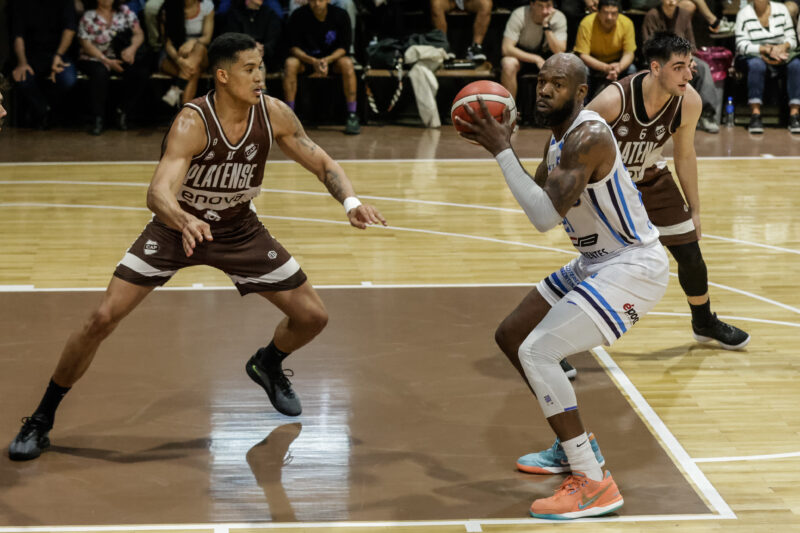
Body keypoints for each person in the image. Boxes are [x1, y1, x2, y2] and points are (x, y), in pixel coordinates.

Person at [8, 32, 387, 462]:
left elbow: (322, 162)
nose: (260, 77)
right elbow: (158, 193)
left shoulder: (273, 113)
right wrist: (183, 219)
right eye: (249, 69)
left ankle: (267, 362)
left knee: (313, 317)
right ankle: (41, 418)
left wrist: (351, 202)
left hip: (239, 230)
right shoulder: (193, 122)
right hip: (176, 230)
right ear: (223, 76)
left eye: (261, 67)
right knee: (101, 318)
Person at [455, 52, 669, 519]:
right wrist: (505, 144)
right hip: (595, 261)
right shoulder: (558, 141)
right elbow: (538, 195)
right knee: (512, 335)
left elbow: (542, 217)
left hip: (633, 265)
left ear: (580, 92)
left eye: (557, 83)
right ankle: (573, 443)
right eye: (541, 82)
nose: (545, 89)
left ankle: (593, 483)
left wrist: (501, 150)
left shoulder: (588, 136)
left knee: (538, 351)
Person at [642, 0, 721, 133]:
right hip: (661, 61)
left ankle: (706, 115)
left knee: (703, 67)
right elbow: (649, 47)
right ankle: (661, 116)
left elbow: (691, 44)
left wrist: (689, 60)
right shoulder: (652, 15)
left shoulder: (684, 14)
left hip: (683, 59)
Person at [283, 0, 360, 134]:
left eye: (320, 0)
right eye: (313, 0)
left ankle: (352, 114)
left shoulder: (340, 15)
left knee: (347, 63)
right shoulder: (298, 15)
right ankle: (289, 116)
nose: (317, 4)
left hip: (332, 61)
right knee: (290, 64)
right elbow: (293, 47)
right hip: (306, 60)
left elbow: (344, 47)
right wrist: (313, 61)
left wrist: (327, 60)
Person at [77, 0, 149, 135]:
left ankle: (123, 111)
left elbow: (139, 33)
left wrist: (132, 49)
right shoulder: (88, 16)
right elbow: (85, 44)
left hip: (120, 54)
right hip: (94, 57)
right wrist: (106, 61)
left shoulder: (125, 11)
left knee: (140, 72)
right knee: (100, 72)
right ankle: (98, 118)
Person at [734, 0, 800, 134]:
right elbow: (740, 44)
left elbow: (792, 39)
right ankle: (755, 114)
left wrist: (783, 46)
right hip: (755, 53)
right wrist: (764, 50)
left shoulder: (781, 10)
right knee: (756, 65)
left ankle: (794, 115)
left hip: (781, 53)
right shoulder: (744, 13)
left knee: (796, 65)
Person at [10, 0, 78, 128]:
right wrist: (22, 62)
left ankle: (51, 108)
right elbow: (18, 35)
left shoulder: (64, 2)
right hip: (30, 55)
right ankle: (43, 110)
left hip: (59, 53)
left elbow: (70, 29)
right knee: (23, 78)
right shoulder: (21, 3)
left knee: (67, 80)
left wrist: (58, 55)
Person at [500, 0, 567, 100]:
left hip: (546, 57)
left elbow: (559, 51)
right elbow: (506, 48)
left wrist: (546, 27)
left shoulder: (558, 17)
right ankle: (509, 107)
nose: (545, 11)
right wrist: (536, 59)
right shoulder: (519, 15)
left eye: (548, 6)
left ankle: (553, 108)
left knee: (564, 65)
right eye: (540, 6)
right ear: (532, 4)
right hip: (522, 56)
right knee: (508, 63)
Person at [573, 0, 636, 100]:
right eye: (605, 13)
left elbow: (629, 53)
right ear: (598, 12)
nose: (609, 17)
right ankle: (583, 105)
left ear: (618, 13)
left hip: (617, 62)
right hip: (593, 62)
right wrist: (606, 68)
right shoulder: (587, 23)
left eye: (613, 13)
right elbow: (583, 55)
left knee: (632, 69)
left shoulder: (626, 23)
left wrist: (618, 68)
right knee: (583, 70)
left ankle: (628, 105)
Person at [159, 0, 215, 106]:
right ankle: (184, 111)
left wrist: (193, 42)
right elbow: (167, 43)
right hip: (174, 55)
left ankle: (177, 88)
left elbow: (207, 38)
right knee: (194, 70)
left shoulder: (207, 5)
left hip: (200, 54)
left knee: (199, 48)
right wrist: (178, 60)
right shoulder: (168, 7)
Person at [225, 0, 283, 72]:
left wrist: (264, 48)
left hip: (265, 55)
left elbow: (274, 38)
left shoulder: (270, 13)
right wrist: (251, 46)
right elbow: (233, 37)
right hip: (241, 53)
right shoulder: (234, 14)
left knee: (259, 63)